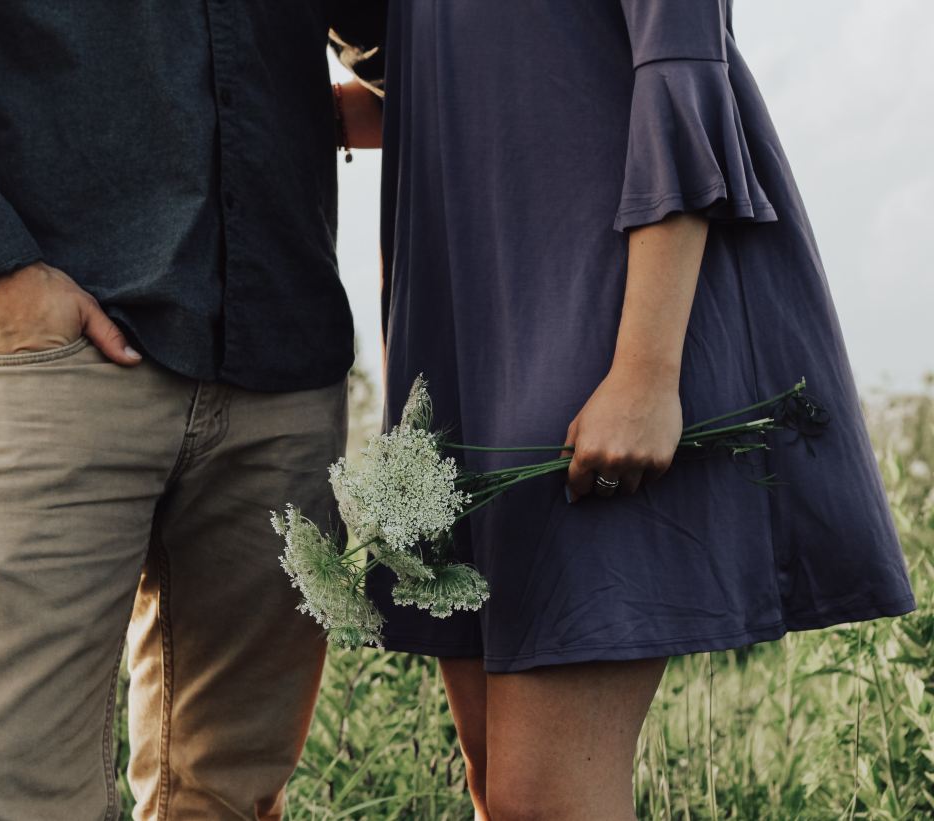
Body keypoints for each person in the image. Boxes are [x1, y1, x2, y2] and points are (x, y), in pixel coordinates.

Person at [0, 2, 381, 818]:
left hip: (279, 365)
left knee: (226, 797)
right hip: (52, 357)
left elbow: (398, 32)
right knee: (9, 794)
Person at [362, 1, 917, 818]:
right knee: (497, 787)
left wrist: (646, 371)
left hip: (604, 331)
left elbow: (683, 69)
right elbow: (407, 57)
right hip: (469, 333)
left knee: (541, 798)